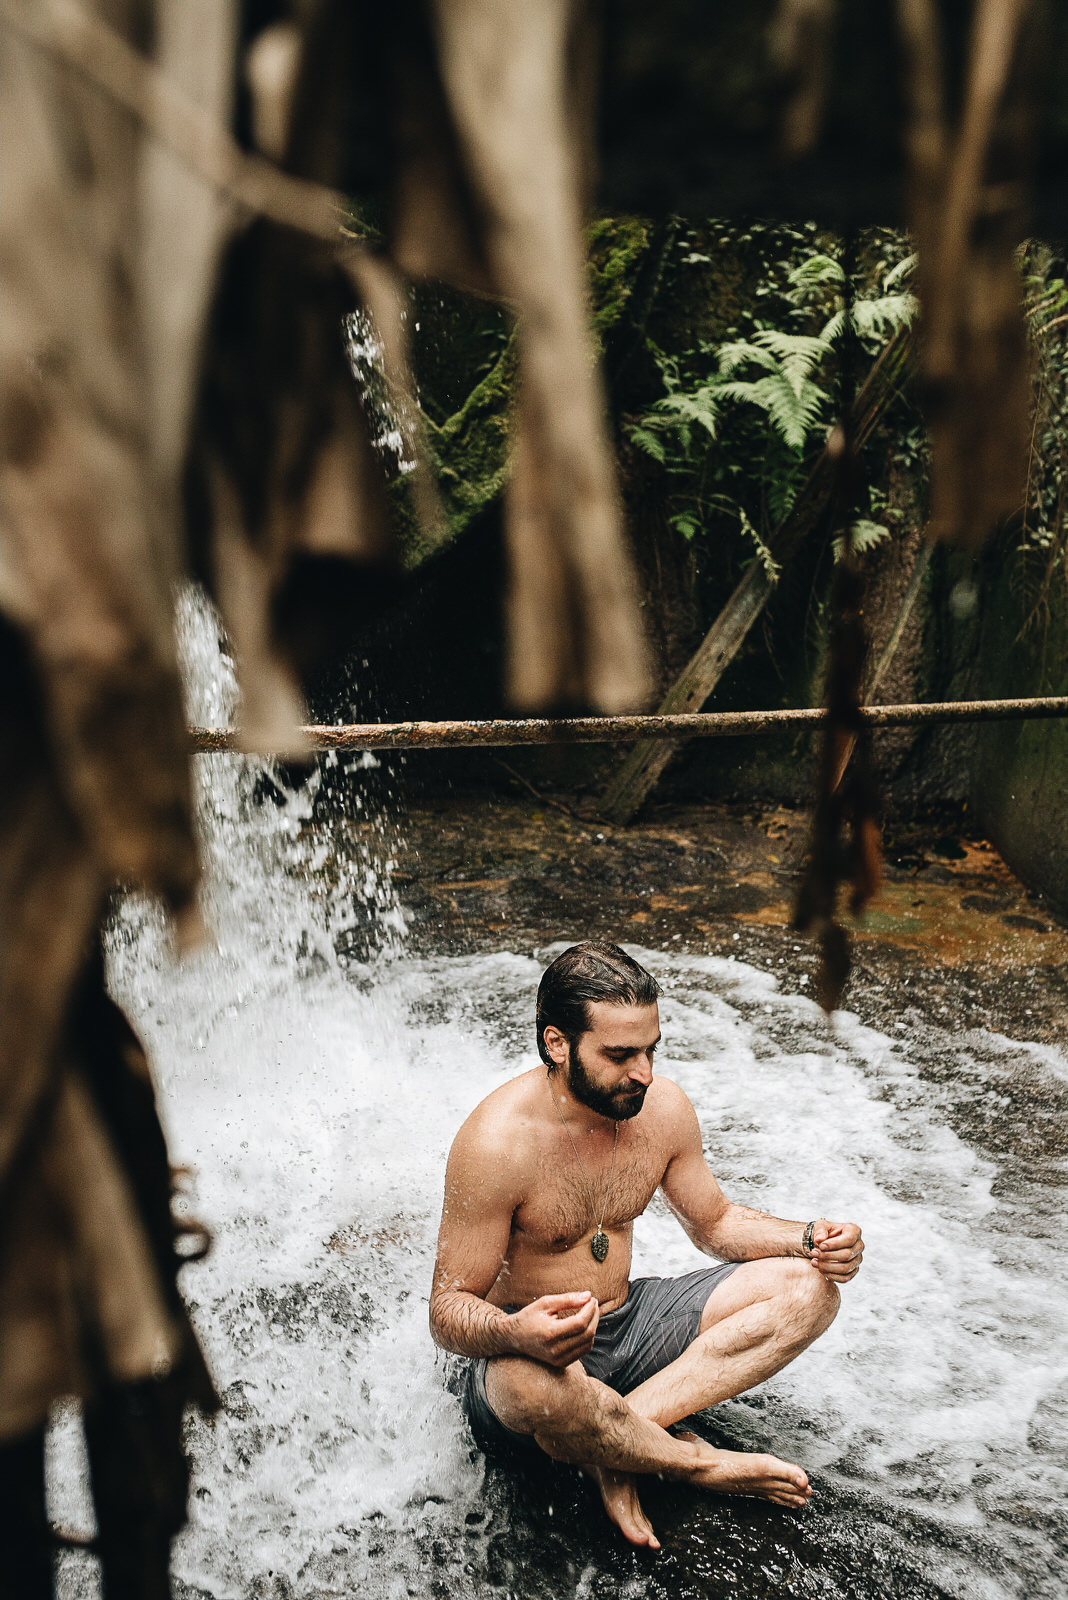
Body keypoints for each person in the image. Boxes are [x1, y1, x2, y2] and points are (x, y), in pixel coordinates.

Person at [429, 940, 864, 1549]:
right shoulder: (496, 1145)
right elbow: (447, 1312)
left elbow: (713, 1223)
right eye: (620, 1054)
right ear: (557, 1043)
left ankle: (619, 1449)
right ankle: (694, 1462)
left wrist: (810, 1239)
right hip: (537, 1358)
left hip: (629, 1322)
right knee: (527, 1387)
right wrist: (516, 1333)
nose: (645, 1073)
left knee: (808, 1290)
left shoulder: (660, 1110)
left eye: (651, 1049)